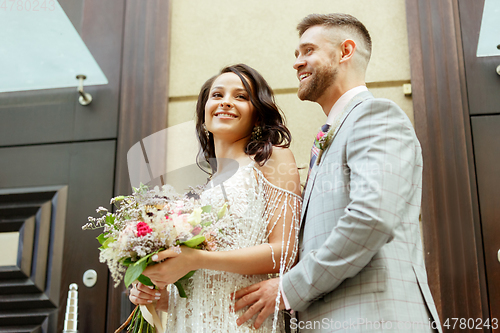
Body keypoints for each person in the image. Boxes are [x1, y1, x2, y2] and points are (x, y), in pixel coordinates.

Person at [233, 13, 443, 332]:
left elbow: (371, 218)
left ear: (345, 51)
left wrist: (290, 288)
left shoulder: (375, 116)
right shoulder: (330, 136)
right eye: (296, 54)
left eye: (308, 51)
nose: (297, 63)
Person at [128, 63, 302, 333]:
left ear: (258, 115)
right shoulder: (203, 191)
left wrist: (196, 259)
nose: (226, 102)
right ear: (204, 114)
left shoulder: (272, 159)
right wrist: (158, 293)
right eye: (217, 95)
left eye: (241, 97)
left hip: (241, 323)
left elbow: (285, 253)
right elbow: (200, 282)